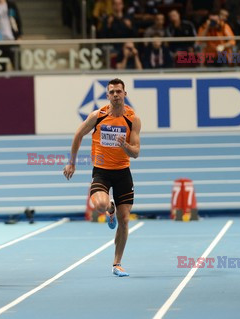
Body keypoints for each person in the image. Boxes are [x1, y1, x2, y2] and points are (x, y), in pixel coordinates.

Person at [63, 78, 141, 277]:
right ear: (107, 95)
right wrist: (72, 162)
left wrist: (124, 146)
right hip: (102, 171)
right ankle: (110, 208)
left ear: (125, 94)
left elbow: (136, 152)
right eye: (112, 92)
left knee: (124, 220)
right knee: (99, 205)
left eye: (119, 91)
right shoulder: (98, 116)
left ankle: (117, 264)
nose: (115, 95)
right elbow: (78, 135)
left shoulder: (133, 119)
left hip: (123, 172)